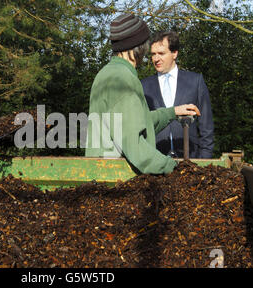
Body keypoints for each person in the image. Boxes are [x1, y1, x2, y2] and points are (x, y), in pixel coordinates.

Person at [85, 14, 201, 174]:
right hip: (116, 182)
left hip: (102, 177)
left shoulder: (108, 73)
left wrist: (172, 112)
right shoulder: (122, 80)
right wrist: (174, 168)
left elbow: (136, 124)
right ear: (138, 45)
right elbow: (135, 146)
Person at [141, 31, 214, 159]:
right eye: (153, 54)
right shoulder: (143, 86)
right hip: (155, 163)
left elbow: (206, 127)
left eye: (161, 53)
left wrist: (204, 161)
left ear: (174, 53)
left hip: (191, 161)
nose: (156, 59)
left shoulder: (195, 81)